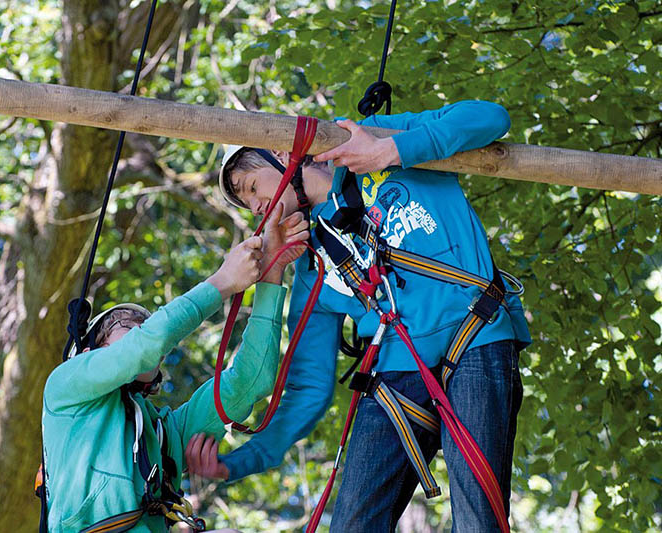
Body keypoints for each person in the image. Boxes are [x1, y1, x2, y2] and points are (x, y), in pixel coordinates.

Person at [188, 100, 532, 532]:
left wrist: (389, 152)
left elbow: (492, 118)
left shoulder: (371, 139)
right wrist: (237, 463)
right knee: (352, 525)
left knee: (478, 520)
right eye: (246, 202)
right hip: (395, 377)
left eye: (252, 186)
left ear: (280, 153)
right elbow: (308, 391)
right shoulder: (312, 264)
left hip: (475, 337)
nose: (256, 206)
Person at [41, 203, 310, 533]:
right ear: (89, 350)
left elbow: (250, 380)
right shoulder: (65, 388)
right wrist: (224, 281)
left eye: (148, 321)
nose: (144, 327)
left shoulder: (163, 434)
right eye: (127, 323)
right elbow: (145, 346)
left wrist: (270, 276)